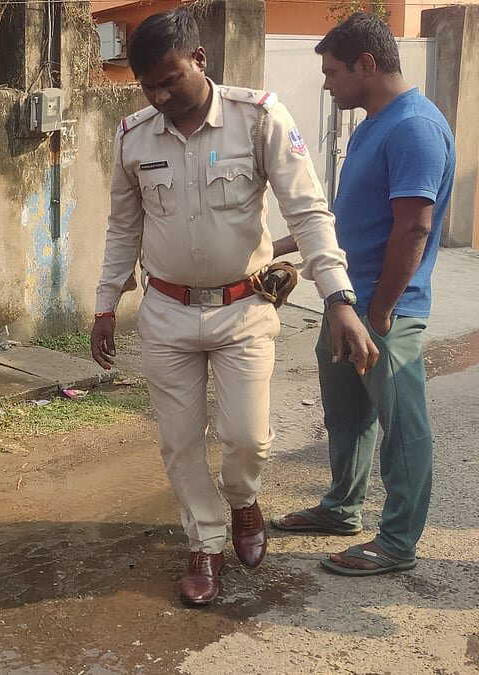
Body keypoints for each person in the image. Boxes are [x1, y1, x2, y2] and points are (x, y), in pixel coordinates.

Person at [89, 8, 378, 606]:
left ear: (199, 59)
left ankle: (244, 502)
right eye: (147, 84)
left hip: (243, 310)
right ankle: (206, 542)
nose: (160, 94)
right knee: (179, 439)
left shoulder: (259, 117)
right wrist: (104, 303)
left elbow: (309, 212)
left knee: (246, 436)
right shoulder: (133, 136)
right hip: (167, 313)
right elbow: (123, 227)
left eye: (170, 79)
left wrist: (339, 298)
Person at [271, 13, 455, 576]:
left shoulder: (414, 127)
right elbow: (351, 217)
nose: (327, 83)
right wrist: (278, 246)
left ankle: (397, 542)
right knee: (347, 414)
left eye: (332, 72)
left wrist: (379, 310)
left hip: (382, 308)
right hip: (346, 300)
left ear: (366, 65)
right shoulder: (377, 122)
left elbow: (414, 228)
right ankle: (342, 507)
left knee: (403, 428)